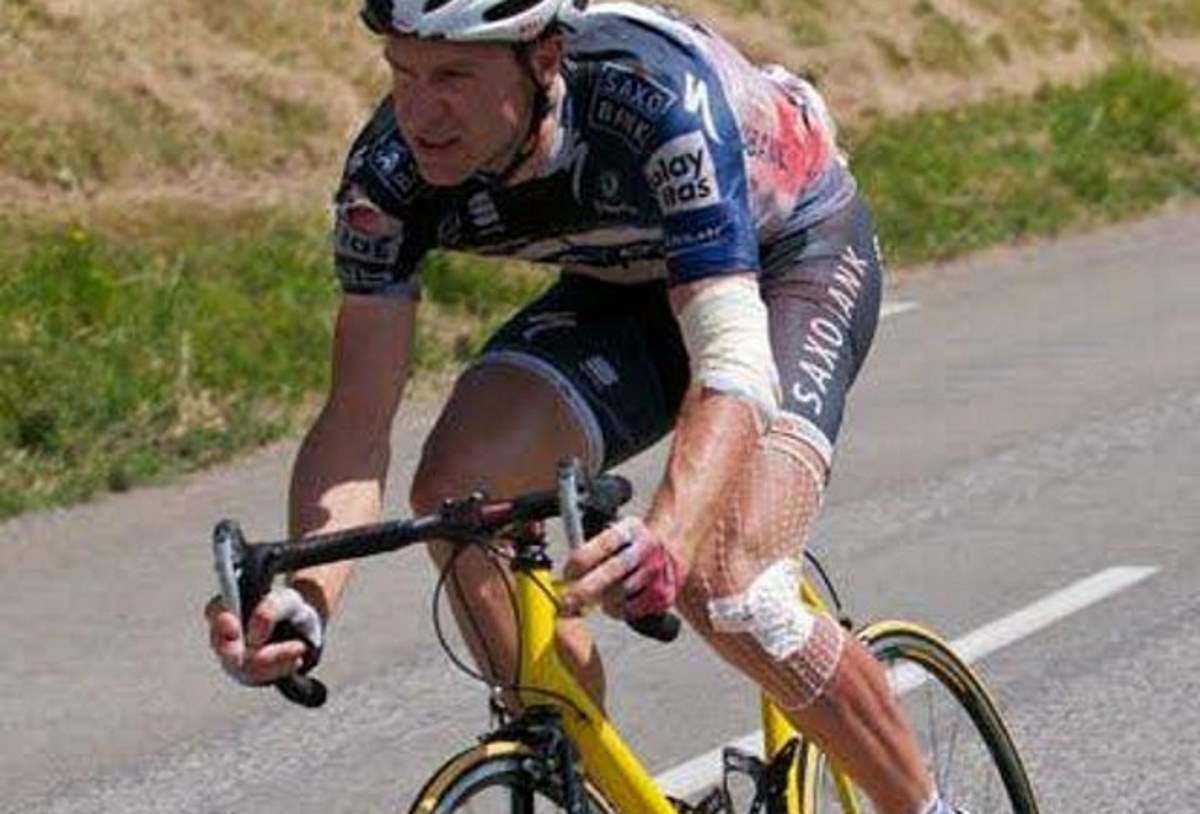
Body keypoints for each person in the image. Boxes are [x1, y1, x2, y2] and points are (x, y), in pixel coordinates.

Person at [204, 2, 959, 812]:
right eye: (402, 71)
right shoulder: (386, 176)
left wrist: (669, 536)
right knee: (459, 495)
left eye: (454, 75)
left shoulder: (653, 100)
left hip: (786, 264)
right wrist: (305, 595)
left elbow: (733, 364)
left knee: (726, 582)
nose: (419, 113)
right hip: (624, 286)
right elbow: (356, 421)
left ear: (544, 57)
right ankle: (584, 776)